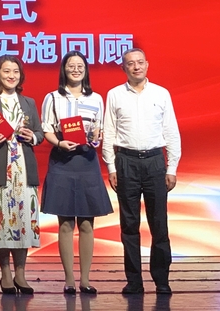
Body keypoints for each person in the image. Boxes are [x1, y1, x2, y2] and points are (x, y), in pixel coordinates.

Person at [102, 48, 181, 295]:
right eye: (130, 63)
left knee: (159, 224)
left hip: (155, 162)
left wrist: (172, 167)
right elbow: (109, 133)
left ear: (147, 64)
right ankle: (134, 281)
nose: (136, 67)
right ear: (123, 68)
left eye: (140, 62)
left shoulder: (161, 93)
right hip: (126, 161)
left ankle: (162, 280)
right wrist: (111, 167)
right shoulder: (115, 95)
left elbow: (171, 131)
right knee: (129, 224)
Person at [40, 51, 113, 294]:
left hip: (87, 161)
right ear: (64, 69)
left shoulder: (97, 98)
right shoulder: (52, 97)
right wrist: (59, 142)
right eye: (71, 65)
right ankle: (69, 280)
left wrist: (95, 139)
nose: (75, 69)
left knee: (87, 223)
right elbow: (46, 129)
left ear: (85, 69)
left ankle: (85, 280)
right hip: (62, 160)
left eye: (80, 65)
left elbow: (98, 129)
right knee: (65, 224)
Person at [0, 54, 43, 295]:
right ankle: (5, 273)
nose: (11, 76)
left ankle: (20, 274)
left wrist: (32, 137)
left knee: (23, 222)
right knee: (0, 222)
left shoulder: (29, 102)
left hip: (23, 170)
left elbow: (39, 133)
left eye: (15, 71)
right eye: (6, 71)